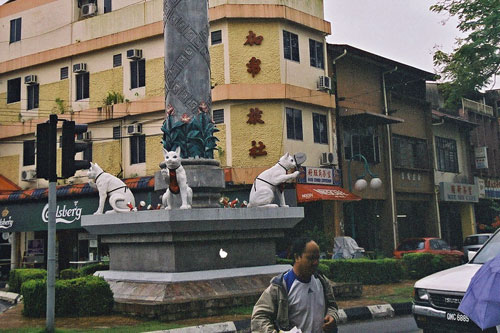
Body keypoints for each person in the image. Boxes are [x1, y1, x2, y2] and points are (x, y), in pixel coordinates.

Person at [251, 238, 339, 332]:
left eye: (317, 258)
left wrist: (332, 316)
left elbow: (332, 306)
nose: (315, 262)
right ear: (297, 257)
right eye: (311, 258)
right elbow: (259, 317)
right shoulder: (281, 286)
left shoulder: (322, 281)